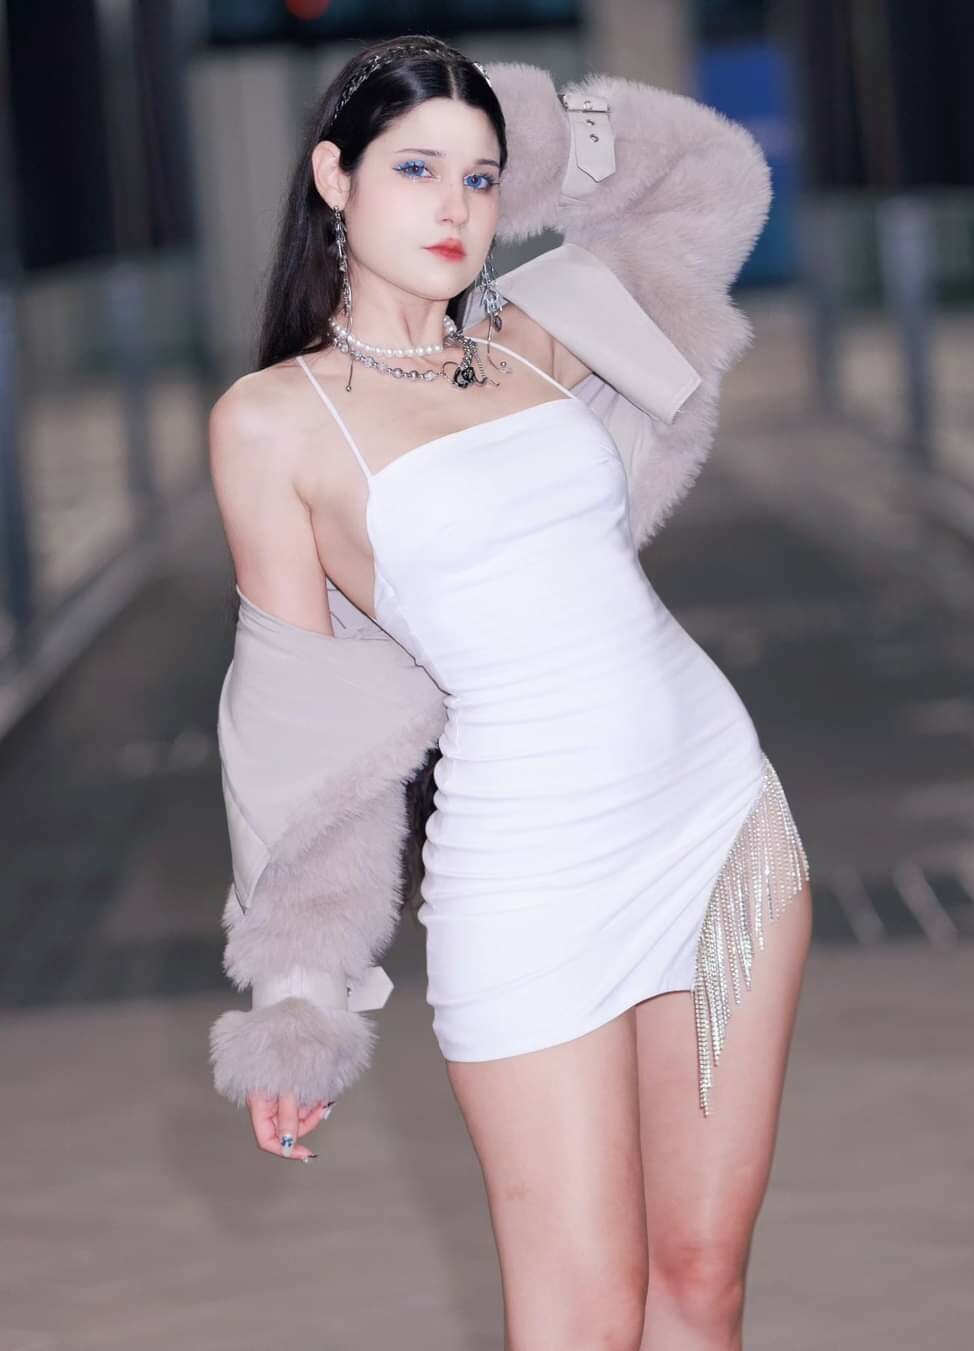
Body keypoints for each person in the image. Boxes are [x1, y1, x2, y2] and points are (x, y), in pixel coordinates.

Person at [208, 33, 813, 1348]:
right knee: (583, 1321)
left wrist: (513, 125)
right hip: (530, 874)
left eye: (481, 179)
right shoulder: (275, 419)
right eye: (414, 168)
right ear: (334, 176)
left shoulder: (540, 332)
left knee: (700, 1280)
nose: (457, 208)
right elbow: (300, 714)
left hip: (717, 822)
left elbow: (713, 176)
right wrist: (300, 986)